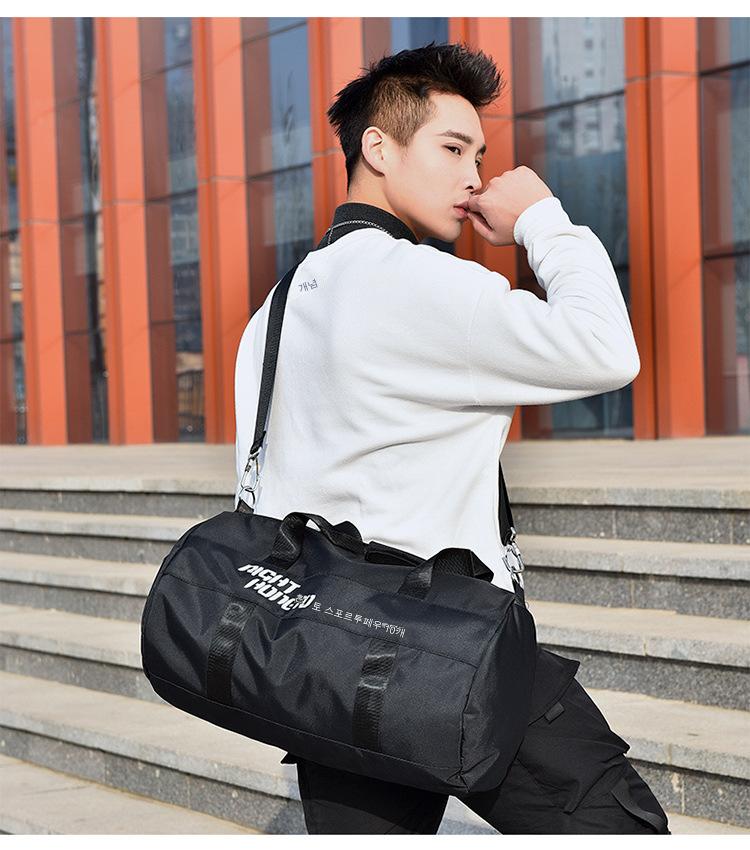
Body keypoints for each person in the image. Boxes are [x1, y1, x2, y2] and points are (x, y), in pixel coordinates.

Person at [233, 41, 670, 835]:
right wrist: (541, 218)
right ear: (378, 147)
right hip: (447, 646)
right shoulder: (423, 281)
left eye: (481, 156)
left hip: (324, 653)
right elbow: (609, 350)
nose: (474, 176)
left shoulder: (275, 311)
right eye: (453, 148)